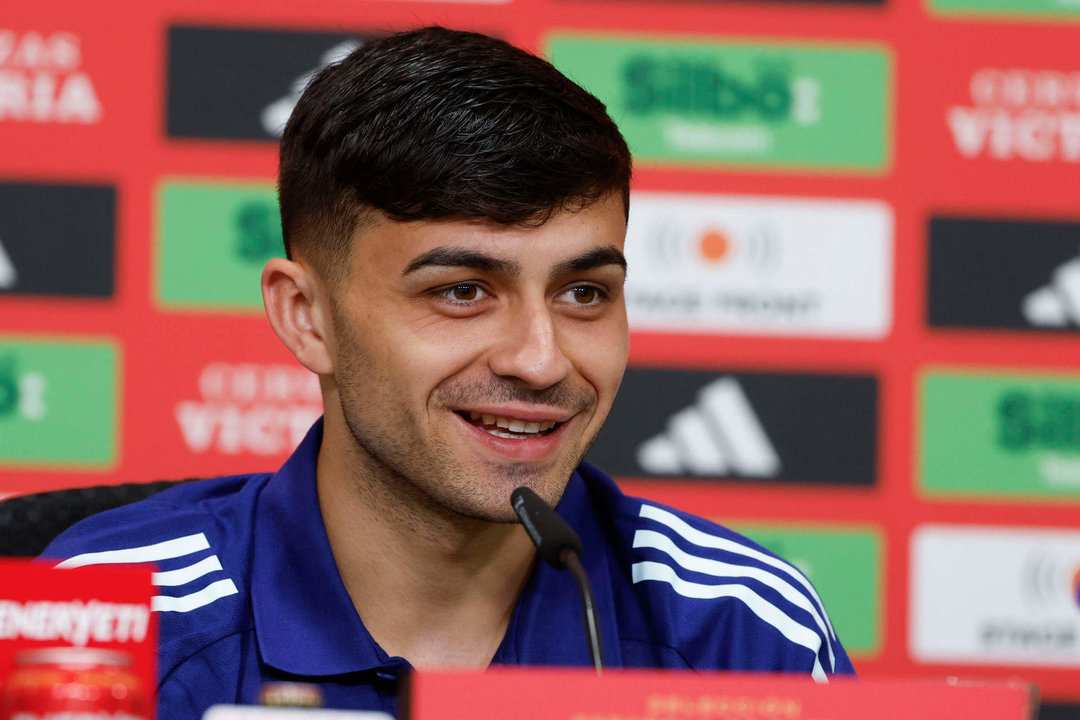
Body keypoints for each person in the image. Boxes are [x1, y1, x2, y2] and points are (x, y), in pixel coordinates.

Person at [41, 26, 854, 719]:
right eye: (463, 292)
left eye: (584, 292)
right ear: (305, 316)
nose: (540, 359)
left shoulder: (742, 634)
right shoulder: (107, 622)